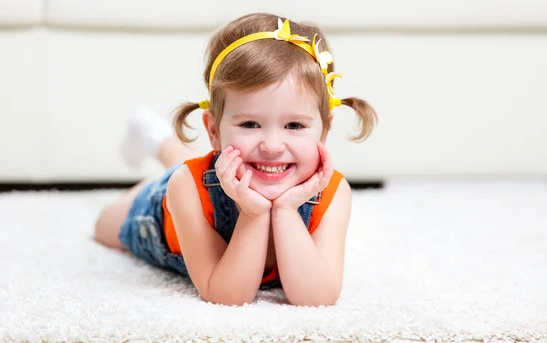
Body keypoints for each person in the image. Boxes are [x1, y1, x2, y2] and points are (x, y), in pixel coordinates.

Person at [94, 12, 377, 307]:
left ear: (324, 129)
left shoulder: (333, 193)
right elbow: (226, 296)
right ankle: (157, 152)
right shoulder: (187, 188)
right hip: (164, 208)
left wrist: (286, 209)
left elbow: (317, 299)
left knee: (213, 163)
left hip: (220, 169)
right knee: (103, 227)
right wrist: (253, 215)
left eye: (294, 126)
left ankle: (159, 139)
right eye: (250, 125)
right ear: (213, 131)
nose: (271, 146)